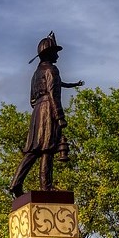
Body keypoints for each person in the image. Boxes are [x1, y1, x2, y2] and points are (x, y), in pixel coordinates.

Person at [8, 32, 84, 197]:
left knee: (34, 151)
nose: (57, 55)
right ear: (49, 53)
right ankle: (46, 187)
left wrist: (39, 110)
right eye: (55, 52)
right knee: (47, 150)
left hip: (37, 113)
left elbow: (32, 100)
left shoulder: (36, 74)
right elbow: (53, 93)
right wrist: (60, 116)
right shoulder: (52, 69)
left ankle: (16, 183)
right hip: (49, 110)